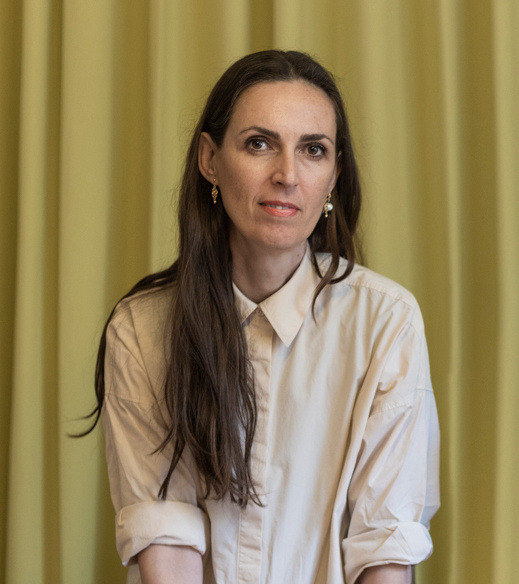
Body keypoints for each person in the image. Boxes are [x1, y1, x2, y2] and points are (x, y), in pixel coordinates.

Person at [88, 50, 440, 584]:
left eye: (313, 150)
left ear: (334, 174)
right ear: (210, 159)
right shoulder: (142, 330)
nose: (287, 175)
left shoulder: (386, 322)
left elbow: (384, 546)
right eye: (259, 144)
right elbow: (166, 536)